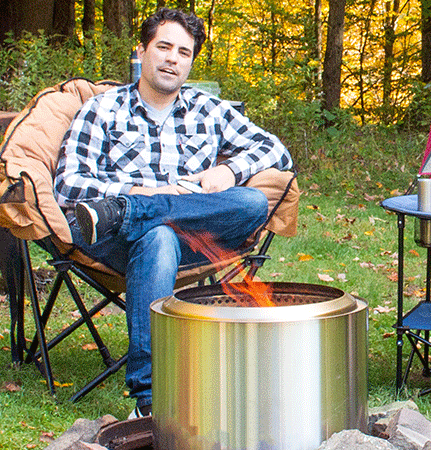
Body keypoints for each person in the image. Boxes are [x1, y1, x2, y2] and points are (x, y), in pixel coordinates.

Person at [54, 7, 292, 418]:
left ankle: (133, 211)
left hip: (195, 238)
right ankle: (151, 401)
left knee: (251, 202)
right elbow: (68, 184)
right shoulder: (103, 109)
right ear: (142, 51)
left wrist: (228, 169)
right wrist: (137, 187)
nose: (172, 59)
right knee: (157, 236)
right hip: (118, 243)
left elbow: (277, 150)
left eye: (183, 52)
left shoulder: (208, 109)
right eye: (163, 47)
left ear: (191, 62)